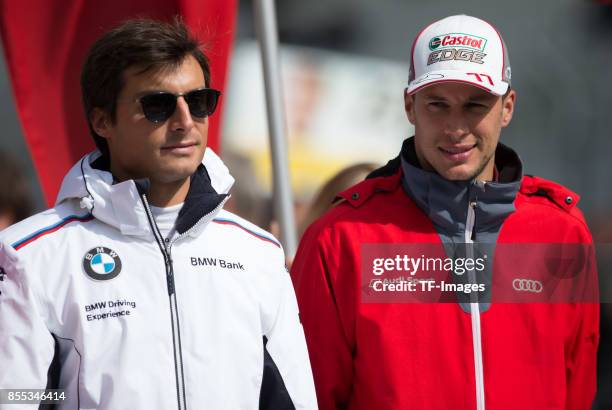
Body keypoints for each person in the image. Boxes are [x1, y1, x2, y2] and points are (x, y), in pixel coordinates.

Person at [0, 18, 316, 409]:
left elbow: (292, 400)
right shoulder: (28, 255)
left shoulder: (258, 253)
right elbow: (14, 396)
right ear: (102, 121)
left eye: (198, 101)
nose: (185, 121)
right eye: (158, 106)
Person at [291, 14, 599, 410]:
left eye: (475, 105)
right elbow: (311, 396)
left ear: (507, 108)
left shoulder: (561, 231)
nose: (456, 127)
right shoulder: (341, 238)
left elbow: (577, 388)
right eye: (437, 104)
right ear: (409, 106)